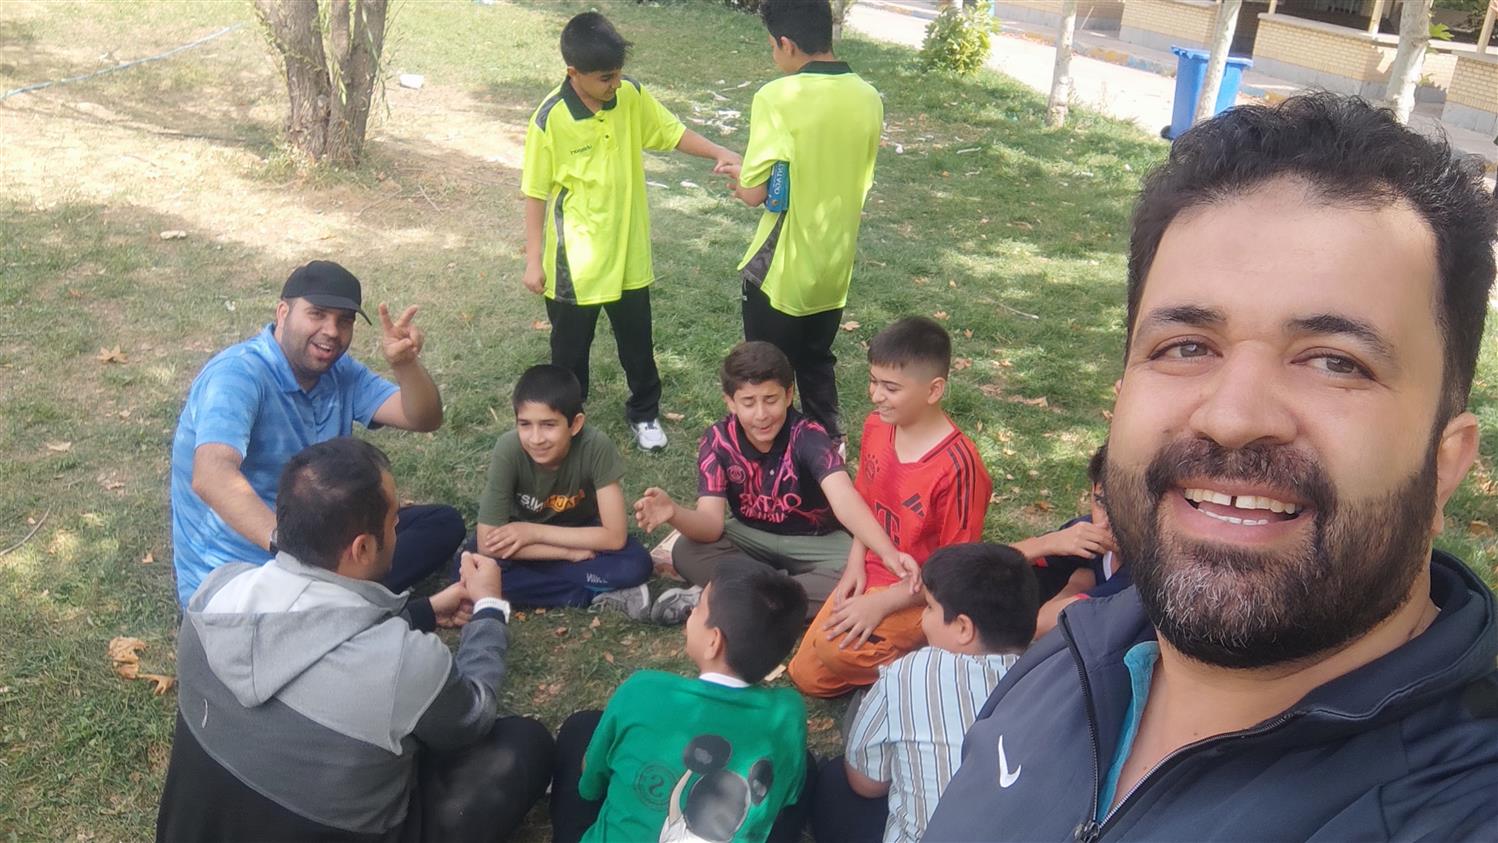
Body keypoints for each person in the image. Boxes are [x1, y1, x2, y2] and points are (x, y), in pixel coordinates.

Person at [924, 94, 1498, 841]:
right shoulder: (1073, 653)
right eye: (1187, 346)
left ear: (1445, 462)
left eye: (1335, 361)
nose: (1231, 416)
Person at [156, 438, 554, 842]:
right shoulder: (404, 664)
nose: (397, 528)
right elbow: (471, 719)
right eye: (394, 520)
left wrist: (425, 612)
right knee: (524, 744)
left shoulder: (214, 595)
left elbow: (304, 632)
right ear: (362, 548)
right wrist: (489, 610)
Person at [169, 260, 463, 606]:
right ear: (283, 313)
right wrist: (292, 552)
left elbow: (423, 418)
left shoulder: (339, 372)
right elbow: (211, 475)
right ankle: (364, 604)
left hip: (317, 541)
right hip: (242, 578)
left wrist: (405, 365)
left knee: (441, 524)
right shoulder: (238, 375)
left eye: (344, 320)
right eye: (317, 314)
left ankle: (347, 599)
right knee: (351, 576)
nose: (332, 331)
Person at [522, 11, 742, 451]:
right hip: (574, 265)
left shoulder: (631, 95)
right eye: (606, 78)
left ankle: (644, 413)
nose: (615, 84)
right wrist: (533, 260)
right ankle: (569, 421)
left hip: (628, 256)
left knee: (638, 344)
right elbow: (535, 192)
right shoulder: (549, 119)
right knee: (569, 354)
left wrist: (718, 150)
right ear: (573, 73)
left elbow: (671, 132)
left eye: (619, 74)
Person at [633, 341, 914, 623]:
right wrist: (674, 512)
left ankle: (729, 594)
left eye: (770, 399)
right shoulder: (718, 440)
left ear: (789, 395)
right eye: (748, 402)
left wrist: (887, 552)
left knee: (859, 571)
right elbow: (710, 525)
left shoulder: (808, 435)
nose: (761, 414)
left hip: (817, 540)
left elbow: (844, 497)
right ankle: (774, 598)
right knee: (687, 550)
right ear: (730, 402)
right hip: (751, 535)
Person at [788, 317, 993, 698]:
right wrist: (855, 565)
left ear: (934, 390)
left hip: (924, 593)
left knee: (836, 653)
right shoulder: (877, 426)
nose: (876, 396)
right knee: (807, 675)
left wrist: (884, 603)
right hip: (872, 570)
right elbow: (865, 505)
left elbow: (955, 572)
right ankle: (886, 652)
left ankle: (927, 664)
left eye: (890, 388)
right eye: (873, 381)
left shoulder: (958, 467)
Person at [551, 561, 811, 843]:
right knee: (805, 765)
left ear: (714, 641)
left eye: (698, 607)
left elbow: (590, 785)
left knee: (581, 727)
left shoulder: (642, 689)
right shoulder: (788, 714)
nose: (690, 613)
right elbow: (788, 797)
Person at [723, 0, 883, 443]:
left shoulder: (778, 96)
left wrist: (738, 177)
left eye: (772, 47)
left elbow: (756, 193)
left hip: (781, 270)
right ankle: (828, 449)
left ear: (786, 43)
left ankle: (771, 456)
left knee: (764, 374)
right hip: (833, 266)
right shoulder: (869, 97)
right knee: (815, 358)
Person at [812, 544, 1038, 843]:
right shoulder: (1055, 679)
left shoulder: (908, 672)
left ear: (963, 628)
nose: (922, 618)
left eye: (929, 607)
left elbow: (867, 784)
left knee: (836, 779)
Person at [467, 364, 653, 618]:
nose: (536, 438)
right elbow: (488, 543)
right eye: (525, 424)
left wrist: (533, 532)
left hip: (576, 531)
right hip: (522, 545)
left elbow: (614, 537)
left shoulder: (595, 446)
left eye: (548, 425)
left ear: (575, 424)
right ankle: (587, 594)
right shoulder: (508, 448)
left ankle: (544, 588)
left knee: (636, 564)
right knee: (471, 563)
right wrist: (566, 554)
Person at [1011, 445, 1129, 639]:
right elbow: (988, 565)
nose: (1106, 522)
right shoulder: (1086, 530)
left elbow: (1040, 626)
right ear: (1092, 489)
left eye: (1123, 509)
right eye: (1101, 502)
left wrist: (1077, 585)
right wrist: (1047, 542)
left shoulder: (1138, 577)